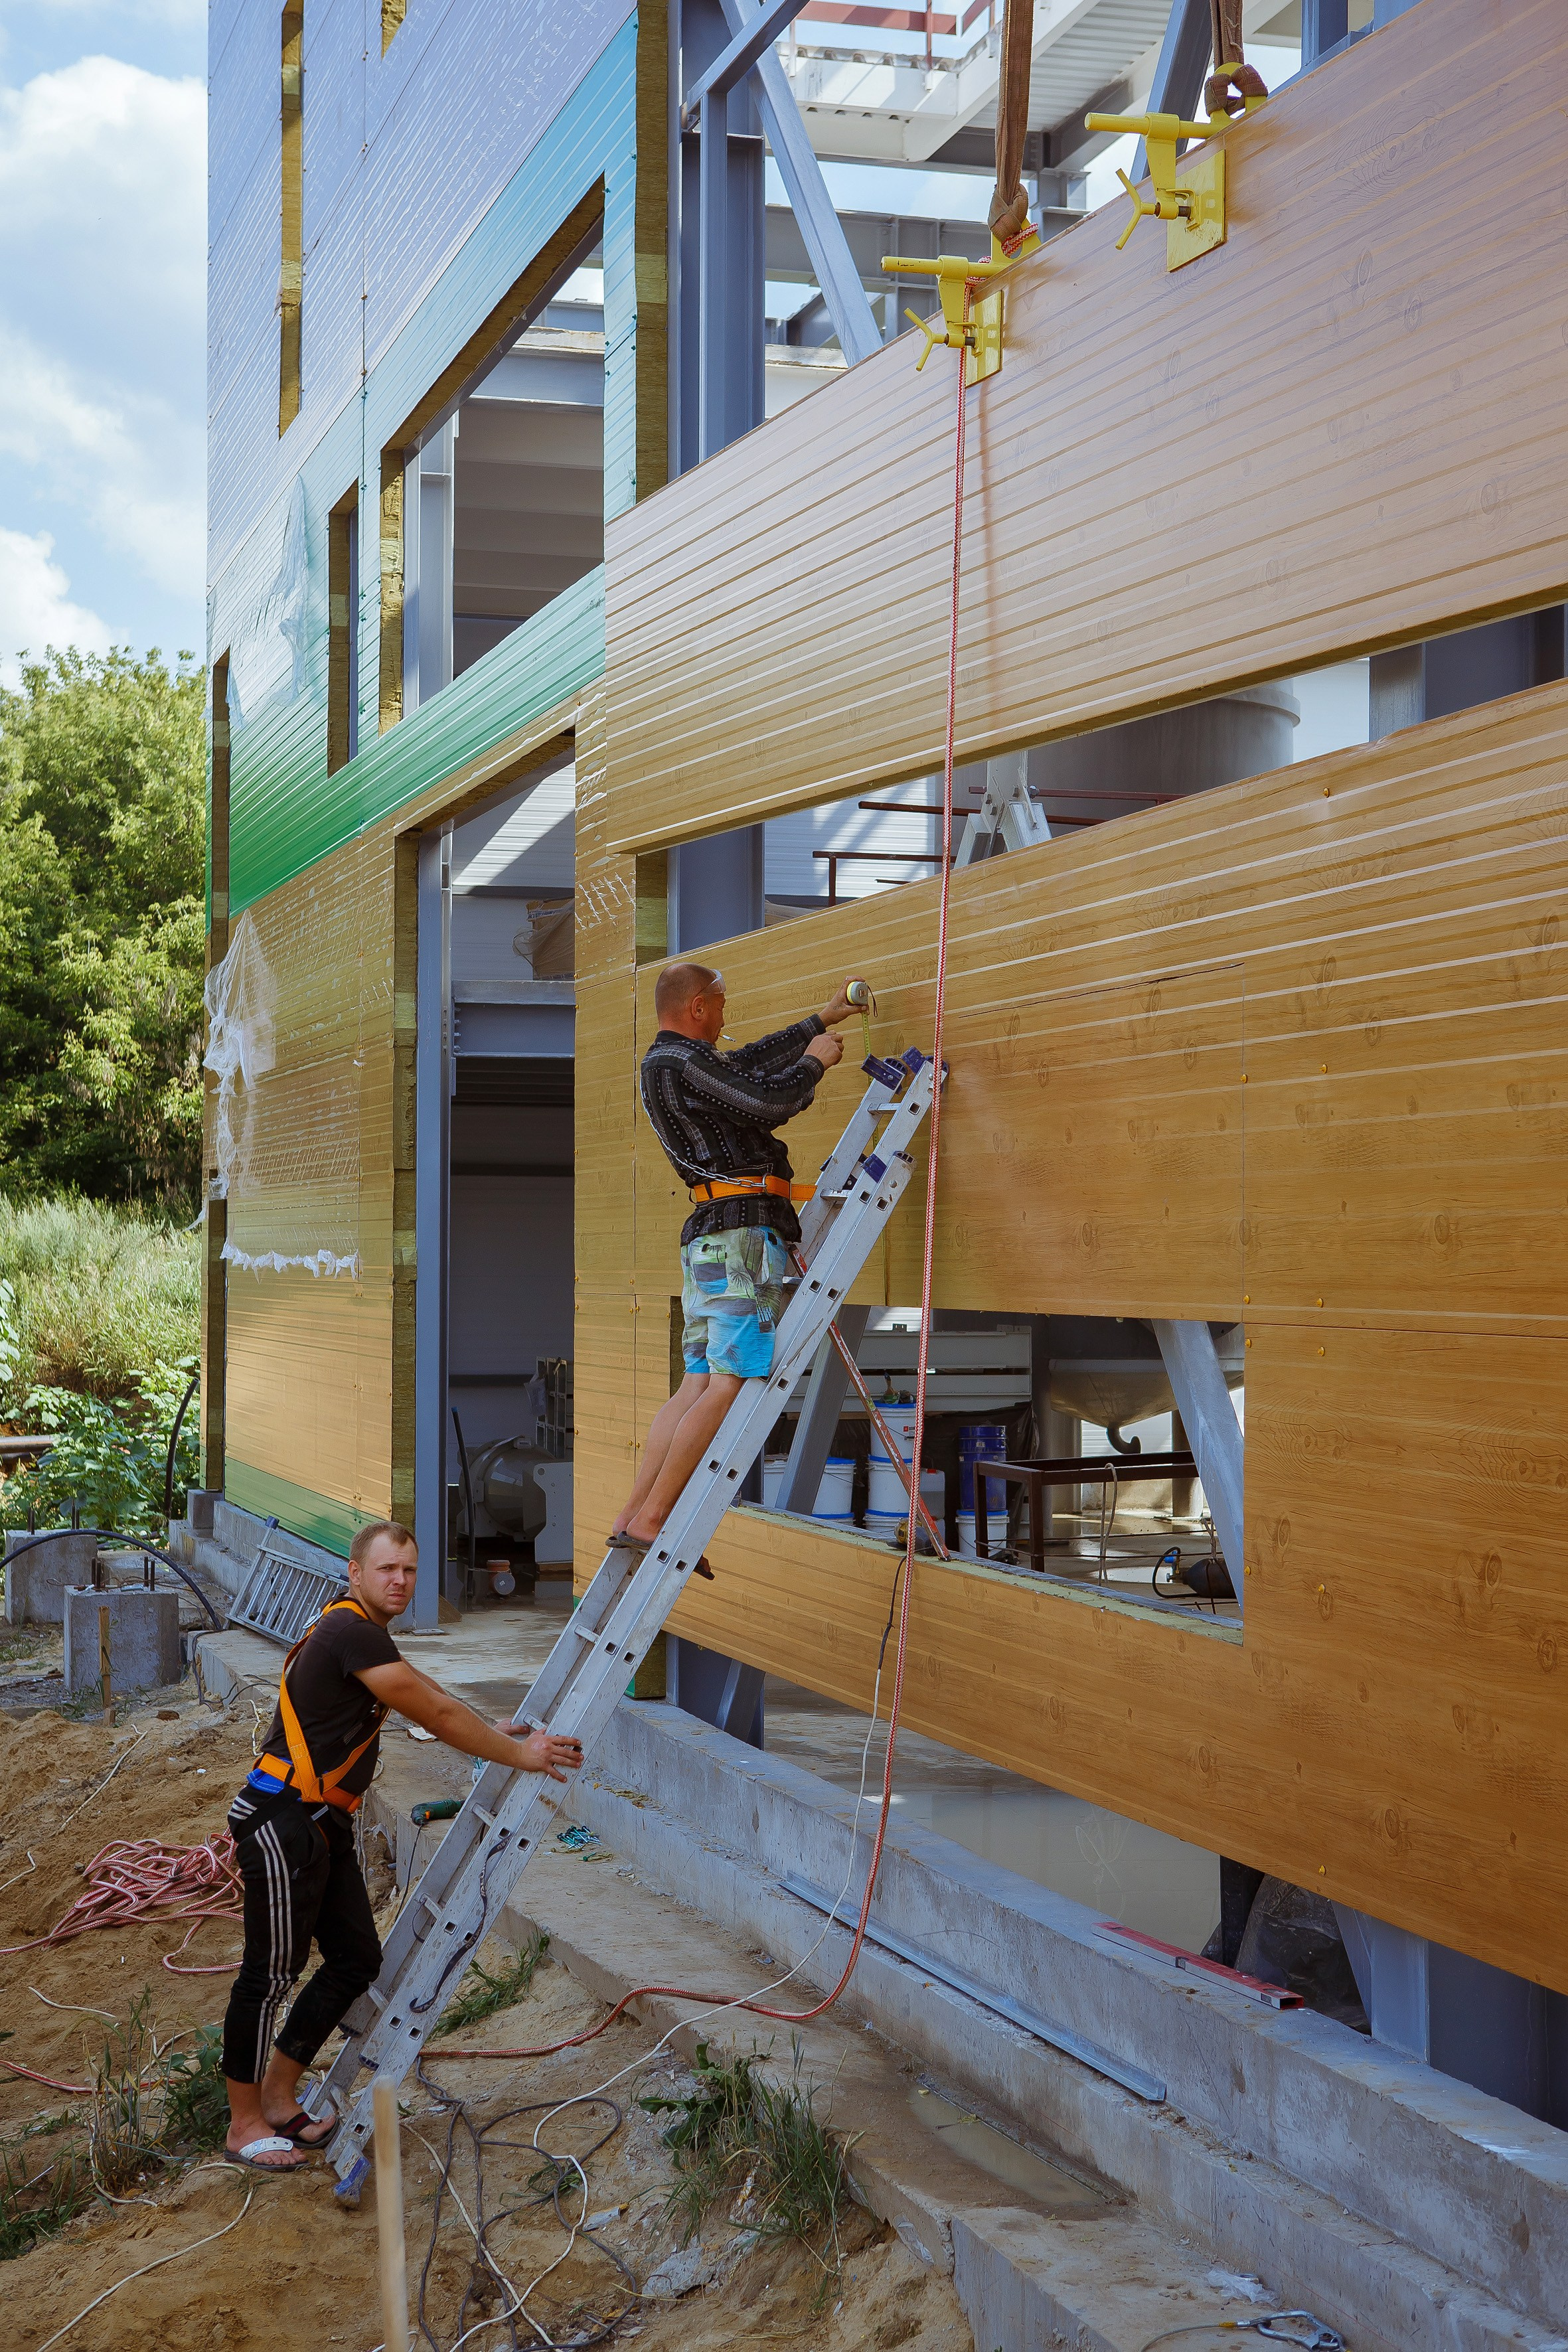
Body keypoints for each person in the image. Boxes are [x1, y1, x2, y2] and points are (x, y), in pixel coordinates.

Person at [220, 1520, 582, 2172]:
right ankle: (244, 2124)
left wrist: (487, 1727)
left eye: (410, 1571)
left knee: (355, 1958)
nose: (400, 1581)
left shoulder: (360, 1630)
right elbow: (435, 1716)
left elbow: (427, 1691)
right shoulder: (350, 1629)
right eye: (388, 1569)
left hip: (318, 1824)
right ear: (356, 1573)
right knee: (269, 1974)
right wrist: (521, 1755)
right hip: (282, 1820)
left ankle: (278, 2099)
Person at [611, 961, 867, 1553]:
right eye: (721, 1004)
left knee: (696, 1383)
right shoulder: (683, 1062)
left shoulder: (667, 1064)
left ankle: (632, 1514)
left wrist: (819, 1020)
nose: (727, 1017)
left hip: (709, 1237)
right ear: (698, 1005)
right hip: (742, 1238)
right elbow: (768, 1100)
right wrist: (817, 1061)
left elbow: (748, 1063)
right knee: (729, 1383)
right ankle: (655, 1518)